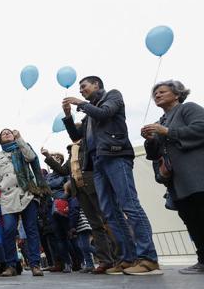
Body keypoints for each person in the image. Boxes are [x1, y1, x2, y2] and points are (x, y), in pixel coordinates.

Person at [63, 76, 161, 275]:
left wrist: (80, 104)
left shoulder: (112, 96)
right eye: (80, 89)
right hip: (97, 163)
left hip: (115, 155)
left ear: (96, 85)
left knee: (129, 205)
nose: (81, 90)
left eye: (84, 86)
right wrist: (68, 116)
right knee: (109, 212)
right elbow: (76, 137)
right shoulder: (89, 113)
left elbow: (105, 113)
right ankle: (128, 258)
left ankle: (148, 258)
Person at [142, 80, 204, 274]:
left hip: (197, 174)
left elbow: (201, 128)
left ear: (177, 94)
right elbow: (154, 154)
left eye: (162, 92)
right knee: (190, 219)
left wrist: (167, 131)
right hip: (177, 181)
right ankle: (202, 259)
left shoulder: (188, 108)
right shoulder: (161, 121)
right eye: (155, 94)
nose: (157, 95)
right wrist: (150, 140)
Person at [42, 141, 116, 274]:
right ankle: (102, 261)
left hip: (82, 196)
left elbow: (66, 182)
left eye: (57, 157)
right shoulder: (67, 163)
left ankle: (117, 258)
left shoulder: (89, 147)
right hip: (68, 200)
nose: (71, 149)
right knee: (93, 228)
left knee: (105, 224)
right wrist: (47, 156)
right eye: (69, 149)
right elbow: (63, 172)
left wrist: (64, 191)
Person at [0, 129, 49, 277]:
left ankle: (35, 264)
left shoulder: (23, 148)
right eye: (3, 133)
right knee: (9, 230)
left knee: (31, 229)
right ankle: (11, 265)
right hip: (8, 197)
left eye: (9, 132)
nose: (6, 134)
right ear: (0, 139)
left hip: (26, 193)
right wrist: (0, 186)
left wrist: (20, 139)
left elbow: (32, 157)